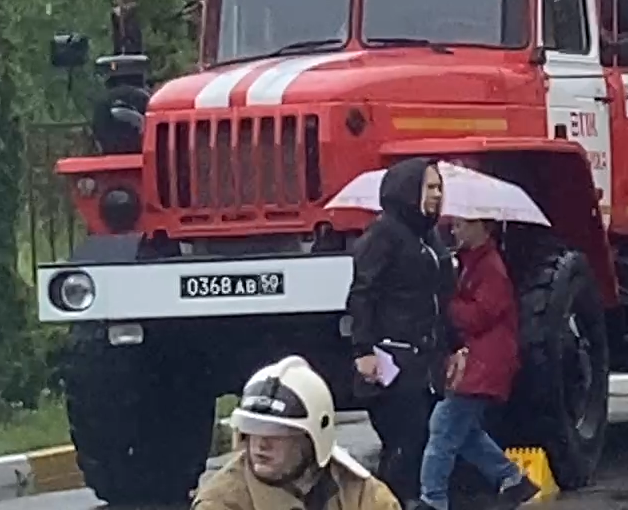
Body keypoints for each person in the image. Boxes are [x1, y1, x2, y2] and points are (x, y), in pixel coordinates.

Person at [346, 159, 453, 504]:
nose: (437, 194)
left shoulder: (429, 234)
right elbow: (362, 293)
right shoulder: (383, 235)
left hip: (427, 358)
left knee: (423, 438)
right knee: (404, 443)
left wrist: (456, 346)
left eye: (439, 187)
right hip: (393, 358)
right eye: (430, 187)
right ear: (409, 190)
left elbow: (441, 292)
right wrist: (362, 350)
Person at [416, 216, 539, 510]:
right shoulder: (476, 263)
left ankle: (432, 499)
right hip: (479, 363)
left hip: (483, 364)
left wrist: (446, 304)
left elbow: (479, 316)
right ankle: (511, 478)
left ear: (482, 226)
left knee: (444, 427)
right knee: (464, 430)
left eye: (461, 224)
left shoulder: (491, 269)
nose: (454, 229)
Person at [195, 356, 403, 510]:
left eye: (276, 432)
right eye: (252, 429)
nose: (261, 444)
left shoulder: (363, 496)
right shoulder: (221, 502)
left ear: (311, 438)